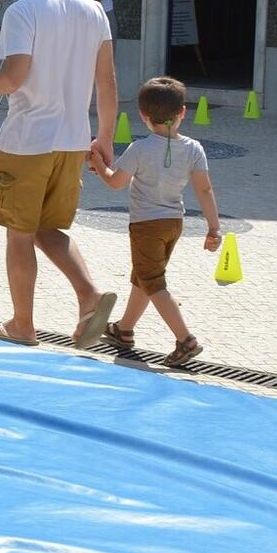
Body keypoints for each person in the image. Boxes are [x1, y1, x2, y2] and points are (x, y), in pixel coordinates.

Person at [0, 0, 117, 348]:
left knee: (19, 233)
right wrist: (105, 138)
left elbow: (14, 76)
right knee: (47, 228)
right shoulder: (92, 10)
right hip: (74, 139)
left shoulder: (23, 12)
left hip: (27, 140)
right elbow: (107, 80)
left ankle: (22, 323)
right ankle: (89, 294)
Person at [88, 76, 219, 368]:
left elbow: (114, 183)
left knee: (154, 282)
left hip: (146, 225)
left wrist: (97, 160)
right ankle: (124, 330)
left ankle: (185, 339)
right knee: (143, 278)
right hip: (174, 224)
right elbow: (204, 189)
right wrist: (213, 227)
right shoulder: (194, 148)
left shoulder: (140, 149)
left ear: (143, 116)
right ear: (183, 112)